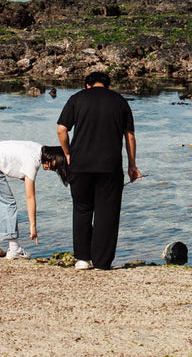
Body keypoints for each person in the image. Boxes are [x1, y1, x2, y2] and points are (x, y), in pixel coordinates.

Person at [57, 72, 141, 271]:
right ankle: (102, 262)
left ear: (87, 85)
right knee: (107, 212)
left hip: (80, 164)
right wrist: (132, 164)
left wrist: (67, 153)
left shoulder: (76, 98)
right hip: (109, 166)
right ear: (108, 86)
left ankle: (83, 259)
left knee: (82, 209)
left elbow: (62, 129)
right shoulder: (120, 101)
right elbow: (129, 136)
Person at [0, 140, 66, 260]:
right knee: (8, 204)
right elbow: (30, 197)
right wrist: (33, 226)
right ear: (52, 158)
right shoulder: (32, 161)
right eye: (55, 166)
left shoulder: (37, 149)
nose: (53, 169)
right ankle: (14, 248)